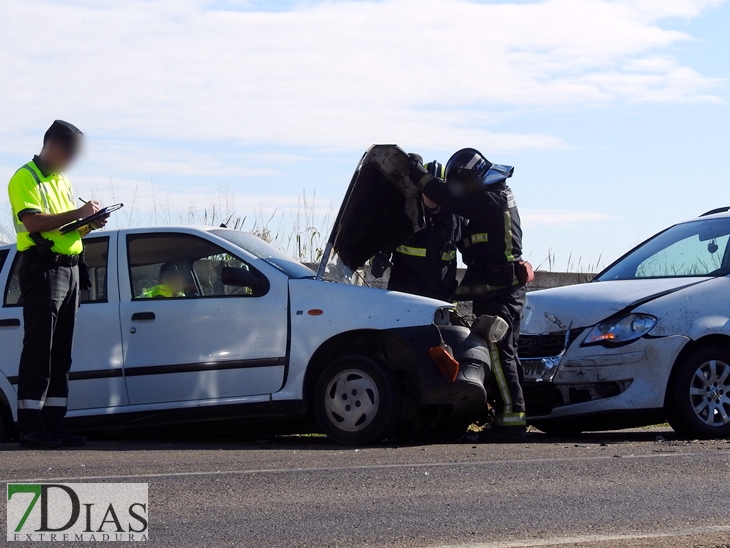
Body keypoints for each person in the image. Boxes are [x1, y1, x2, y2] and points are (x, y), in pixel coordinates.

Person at [408, 148, 533, 443]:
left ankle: (512, 422)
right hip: (496, 292)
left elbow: (453, 200)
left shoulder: (494, 198)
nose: (457, 191)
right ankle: (507, 414)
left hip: (503, 292)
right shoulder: (483, 202)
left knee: (497, 350)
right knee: (502, 354)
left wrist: (420, 176)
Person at [7, 120, 108, 449]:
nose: (72, 161)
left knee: (61, 353)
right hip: (43, 270)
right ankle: (31, 428)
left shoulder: (62, 180)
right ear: (52, 146)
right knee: (39, 351)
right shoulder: (25, 177)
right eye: (69, 153)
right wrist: (78, 212)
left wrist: (88, 224)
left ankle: (55, 425)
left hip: (70, 269)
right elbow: (33, 221)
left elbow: (68, 231)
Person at [371, 162, 466, 302]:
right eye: (428, 189)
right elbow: (379, 245)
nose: (432, 195)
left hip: (439, 304)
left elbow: (473, 254)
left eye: (437, 189)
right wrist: (377, 259)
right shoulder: (402, 215)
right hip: (402, 301)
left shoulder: (457, 218)